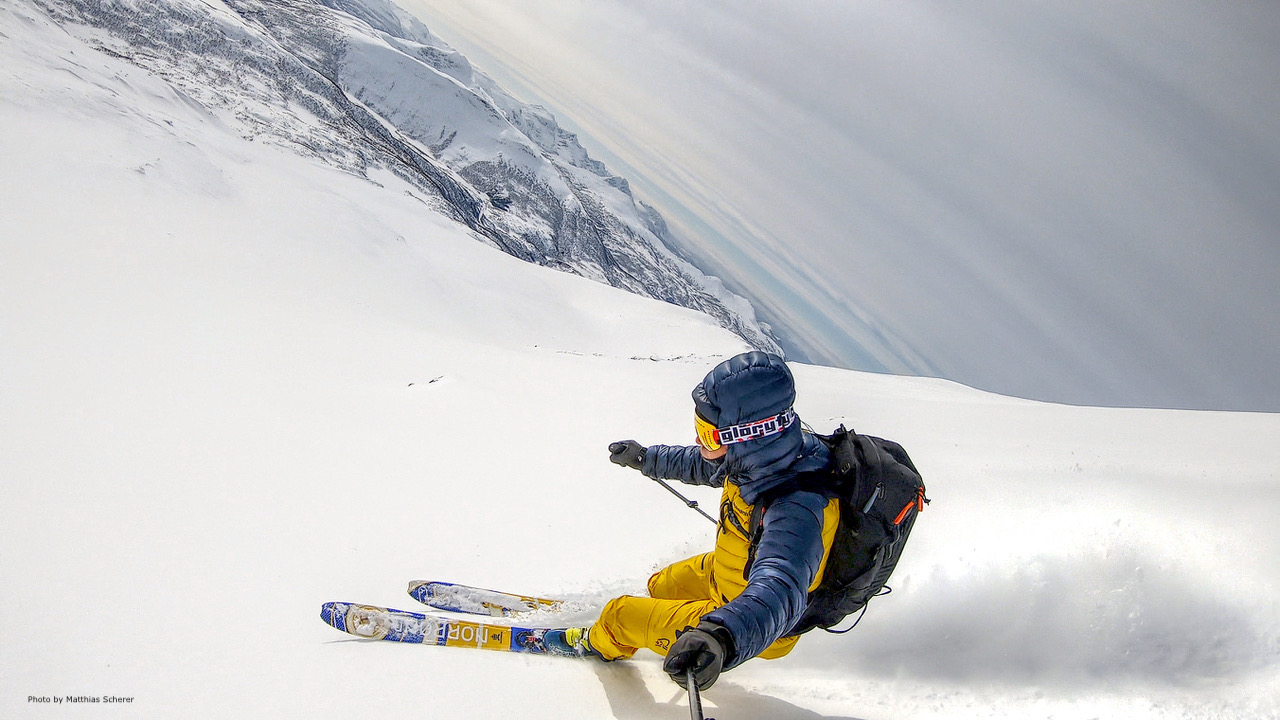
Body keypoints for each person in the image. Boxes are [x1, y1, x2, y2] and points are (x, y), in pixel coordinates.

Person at [544, 351, 841, 691]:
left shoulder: (797, 507)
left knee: (619, 615)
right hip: (728, 572)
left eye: (710, 434)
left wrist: (719, 636)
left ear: (746, 436)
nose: (700, 439)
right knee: (661, 585)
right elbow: (704, 464)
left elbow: (780, 589)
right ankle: (660, 619)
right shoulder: (770, 454)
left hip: (752, 618)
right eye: (699, 426)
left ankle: (596, 642)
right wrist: (646, 458)